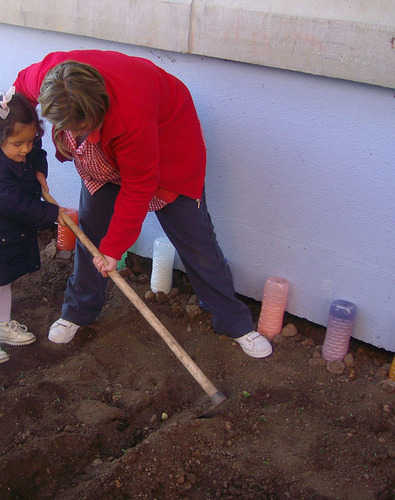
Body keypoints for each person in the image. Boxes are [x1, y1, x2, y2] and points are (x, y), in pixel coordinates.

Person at [14, 50, 272, 358]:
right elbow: (18, 99)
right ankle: (78, 311)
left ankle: (233, 321)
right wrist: (23, 153)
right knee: (92, 231)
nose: (75, 135)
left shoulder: (130, 115)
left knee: (195, 239)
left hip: (169, 147)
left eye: (81, 128)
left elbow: (138, 187)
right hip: (113, 147)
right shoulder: (50, 77)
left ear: (99, 108)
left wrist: (114, 249)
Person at [0, 87, 62, 365]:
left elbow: (36, 152)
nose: (26, 149)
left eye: (29, 141)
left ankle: (3, 326)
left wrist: (39, 168)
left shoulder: (16, 148)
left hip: (4, 237)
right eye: (19, 144)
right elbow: (20, 206)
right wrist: (54, 213)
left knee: (5, 282)